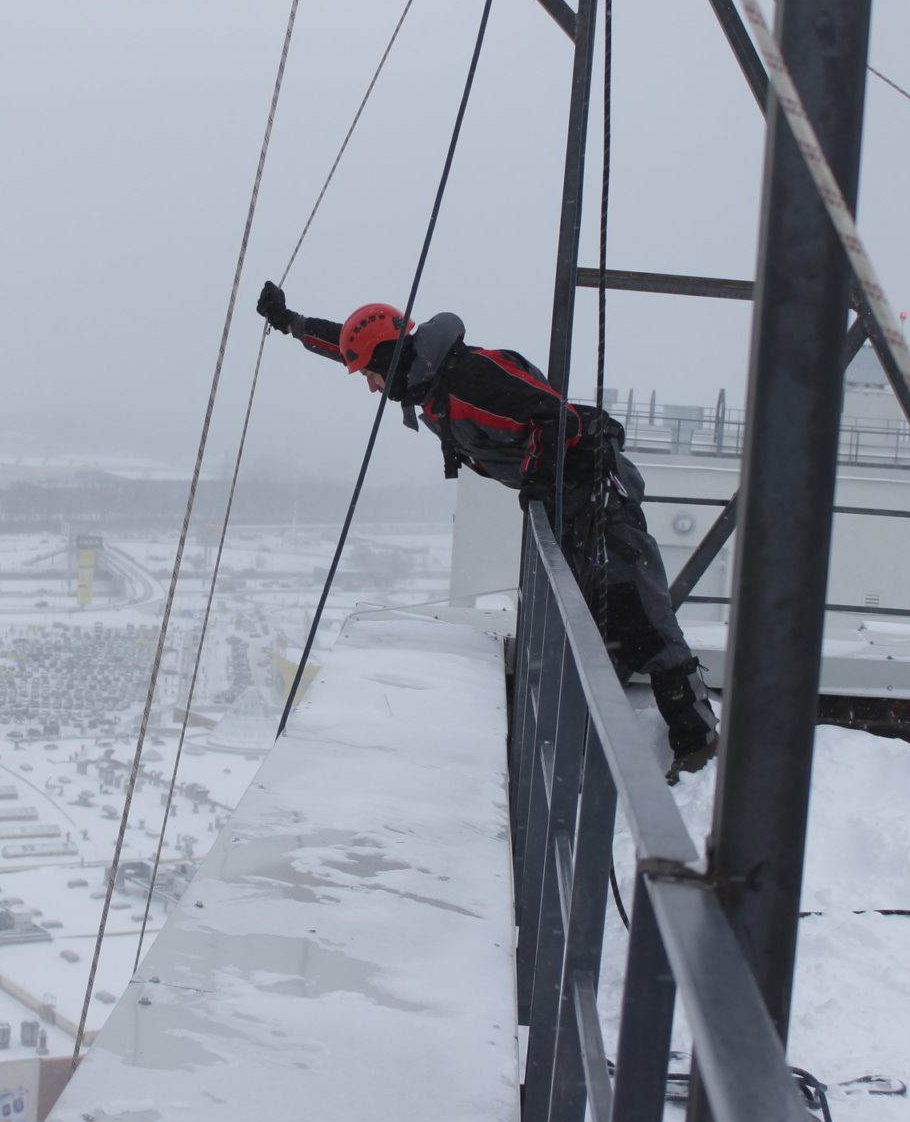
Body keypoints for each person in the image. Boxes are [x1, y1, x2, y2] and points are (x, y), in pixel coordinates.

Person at [256, 281, 718, 776]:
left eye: (370, 374)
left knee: (644, 622)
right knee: (597, 624)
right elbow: (347, 343)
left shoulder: (470, 381)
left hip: (599, 499)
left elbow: (556, 419)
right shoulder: (428, 376)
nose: (371, 385)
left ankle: (699, 749)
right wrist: (292, 323)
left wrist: (537, 482)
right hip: (573, 504)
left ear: (390, 362)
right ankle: (611, 748)